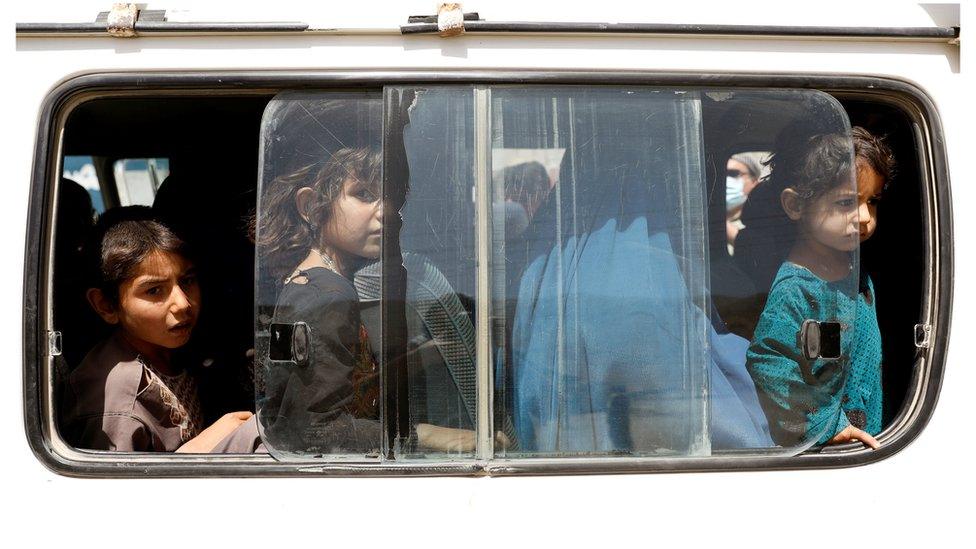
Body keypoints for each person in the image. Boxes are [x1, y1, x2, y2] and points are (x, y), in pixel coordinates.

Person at [746, 127, 894, 449]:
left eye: (873, 201)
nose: (865, 216)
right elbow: (769, 362)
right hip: (830, 449)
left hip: (866, 438)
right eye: (846, 203)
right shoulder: (797, 290)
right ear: (795, 205)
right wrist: (825, 424)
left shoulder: (853, 271)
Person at [59, 208, 253, 452]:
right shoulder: (118, 400)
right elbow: (117, 487)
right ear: (106, 305)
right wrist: (201, 447)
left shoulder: (174, 350)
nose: (183, 303)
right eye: (154, 290)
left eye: (187, 281)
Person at [256, 147, 384, 455]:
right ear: (312, 206)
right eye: (364, 194)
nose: (384, 211)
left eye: (388, 195)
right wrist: (422, 438)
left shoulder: (302, 281)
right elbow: (315, 428)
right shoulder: (330, 297)